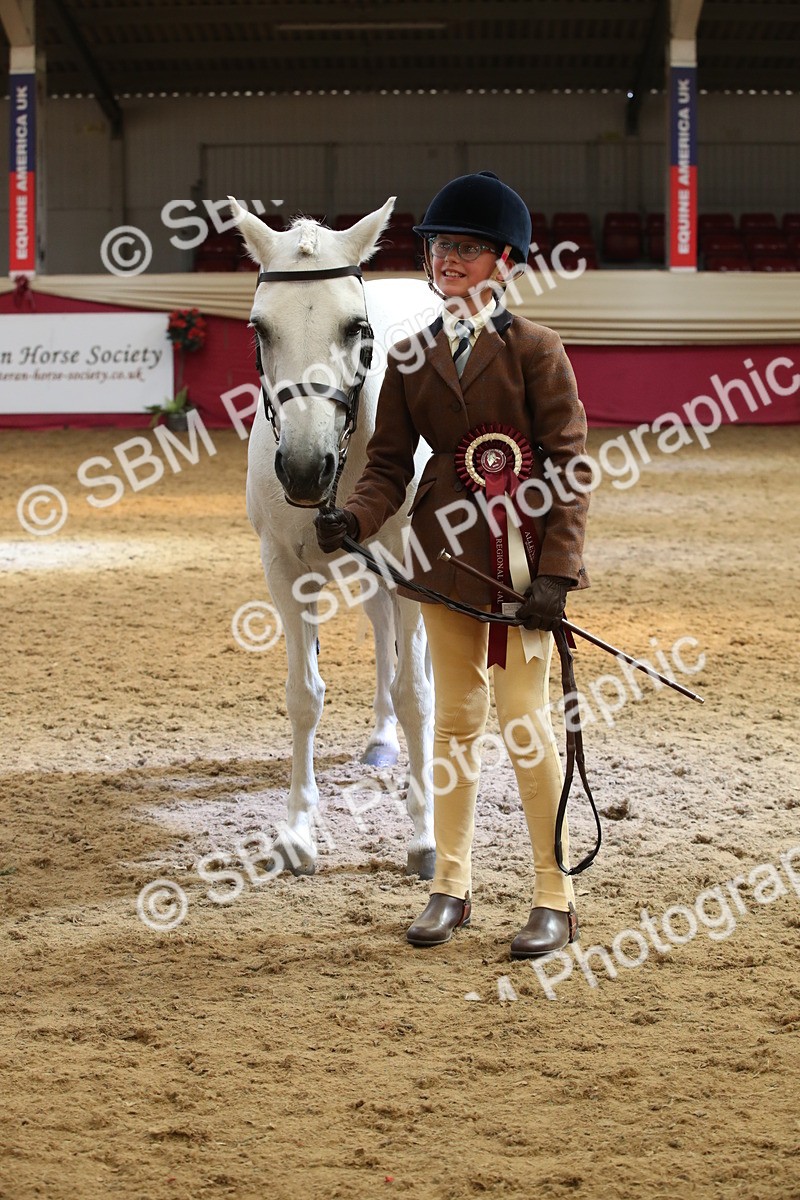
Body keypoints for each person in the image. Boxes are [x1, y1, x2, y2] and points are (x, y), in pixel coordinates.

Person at [315, 171, 592, 958]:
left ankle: (553, 896)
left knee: (526, 725)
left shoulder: (537, 350)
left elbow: (569, 467)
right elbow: (388, 467)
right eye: (439, 247)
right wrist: (355, 517)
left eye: (465, 249)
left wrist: (557, 576)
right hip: (440, 563)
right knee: (453, 725)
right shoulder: (409, 356)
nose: (447, 261)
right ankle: (452, 885)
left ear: (505, 262)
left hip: (518, 570)